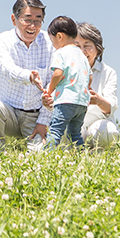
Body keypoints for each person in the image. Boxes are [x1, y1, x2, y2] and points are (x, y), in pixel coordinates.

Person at [0, 0, 54, 149]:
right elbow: (7, 69)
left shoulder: (50, 42)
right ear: (14, 20)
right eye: (27, 19)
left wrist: (43, 122)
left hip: (36, 116)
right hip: (9, 113)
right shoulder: (0, 41)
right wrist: (28, 76)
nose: (33, 26)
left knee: (39, 161)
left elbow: (54, 85)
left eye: (38, 20)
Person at [42, 16, 91, 149]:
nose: (53, 44)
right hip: (82, 103)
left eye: (52, 40)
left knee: (55, 131)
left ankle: (45, 157)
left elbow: (58, 73)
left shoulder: (61, 52)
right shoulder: (82, 55)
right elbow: (89, 78)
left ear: (59, 36)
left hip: (65, 101)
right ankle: (83, 155)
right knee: (74, 134)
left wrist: (50, 90)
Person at [75, 22, 120, 148]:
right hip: (74, 124)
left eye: (87, 45)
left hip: (97, 124)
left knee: (108, 131)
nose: (82, 51)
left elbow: (109, 108)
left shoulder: (108, 72)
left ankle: (99, 158)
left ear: (98, 48)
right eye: (77, 46)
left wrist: (98, 100)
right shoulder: (65, 70)